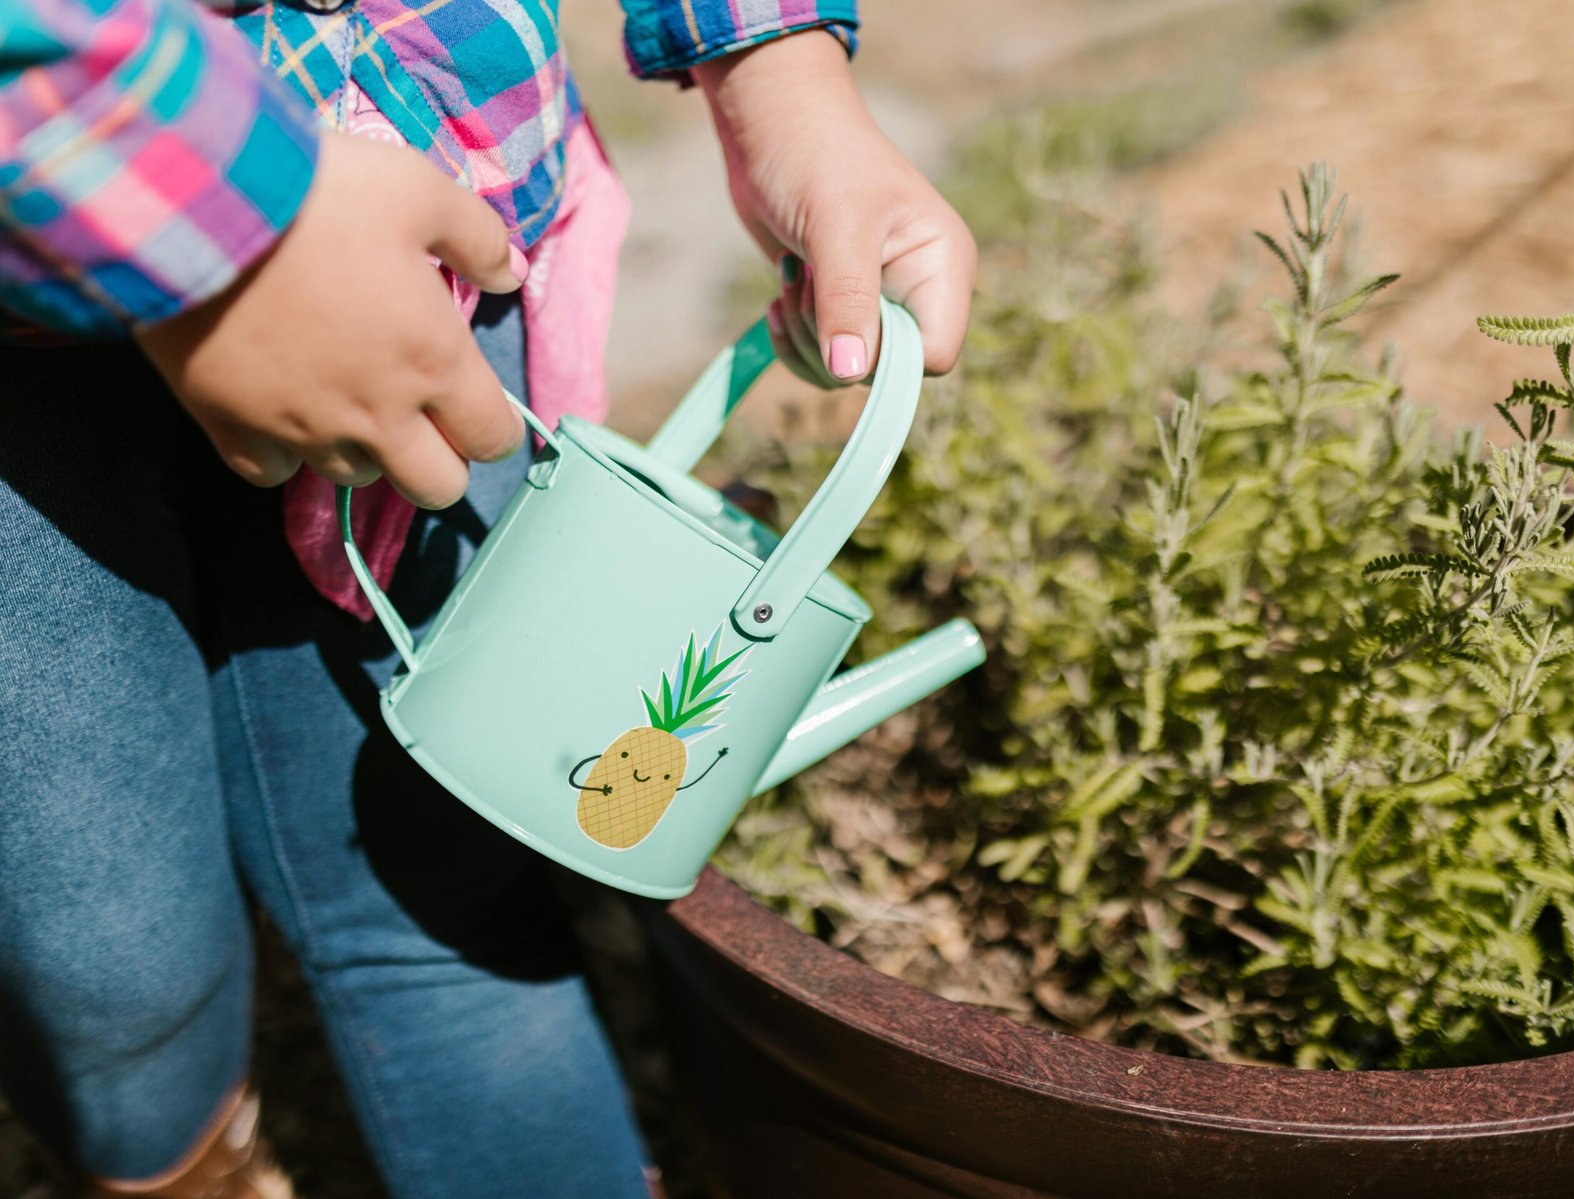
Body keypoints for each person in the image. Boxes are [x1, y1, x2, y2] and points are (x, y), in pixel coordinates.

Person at [0, 0, 977, 1191]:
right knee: (109, 975)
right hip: (36, 321)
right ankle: (191, 1161)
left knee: (445, 883)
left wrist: (779, 67)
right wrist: (214, 211)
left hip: (424, 225)